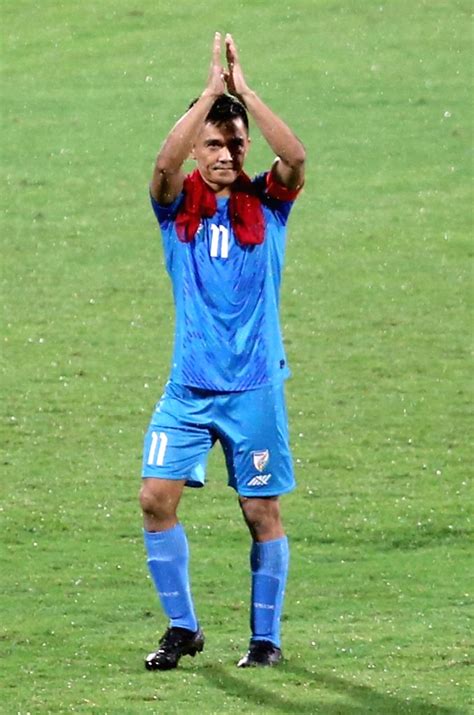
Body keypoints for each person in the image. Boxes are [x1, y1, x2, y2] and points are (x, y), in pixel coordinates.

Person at [140, 32, 305, 670]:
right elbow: (160, 170)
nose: (227, 153)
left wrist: (245, 96)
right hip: (189, 388)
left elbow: (296, 157)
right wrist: (208, 96)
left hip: (254, 387)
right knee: (156, 499)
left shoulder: (269, 203)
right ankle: (183, 627)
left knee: (260, 510)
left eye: (236, 143)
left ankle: (265, 640)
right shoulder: (175, 207)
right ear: (195, 148)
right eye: (213, 142)